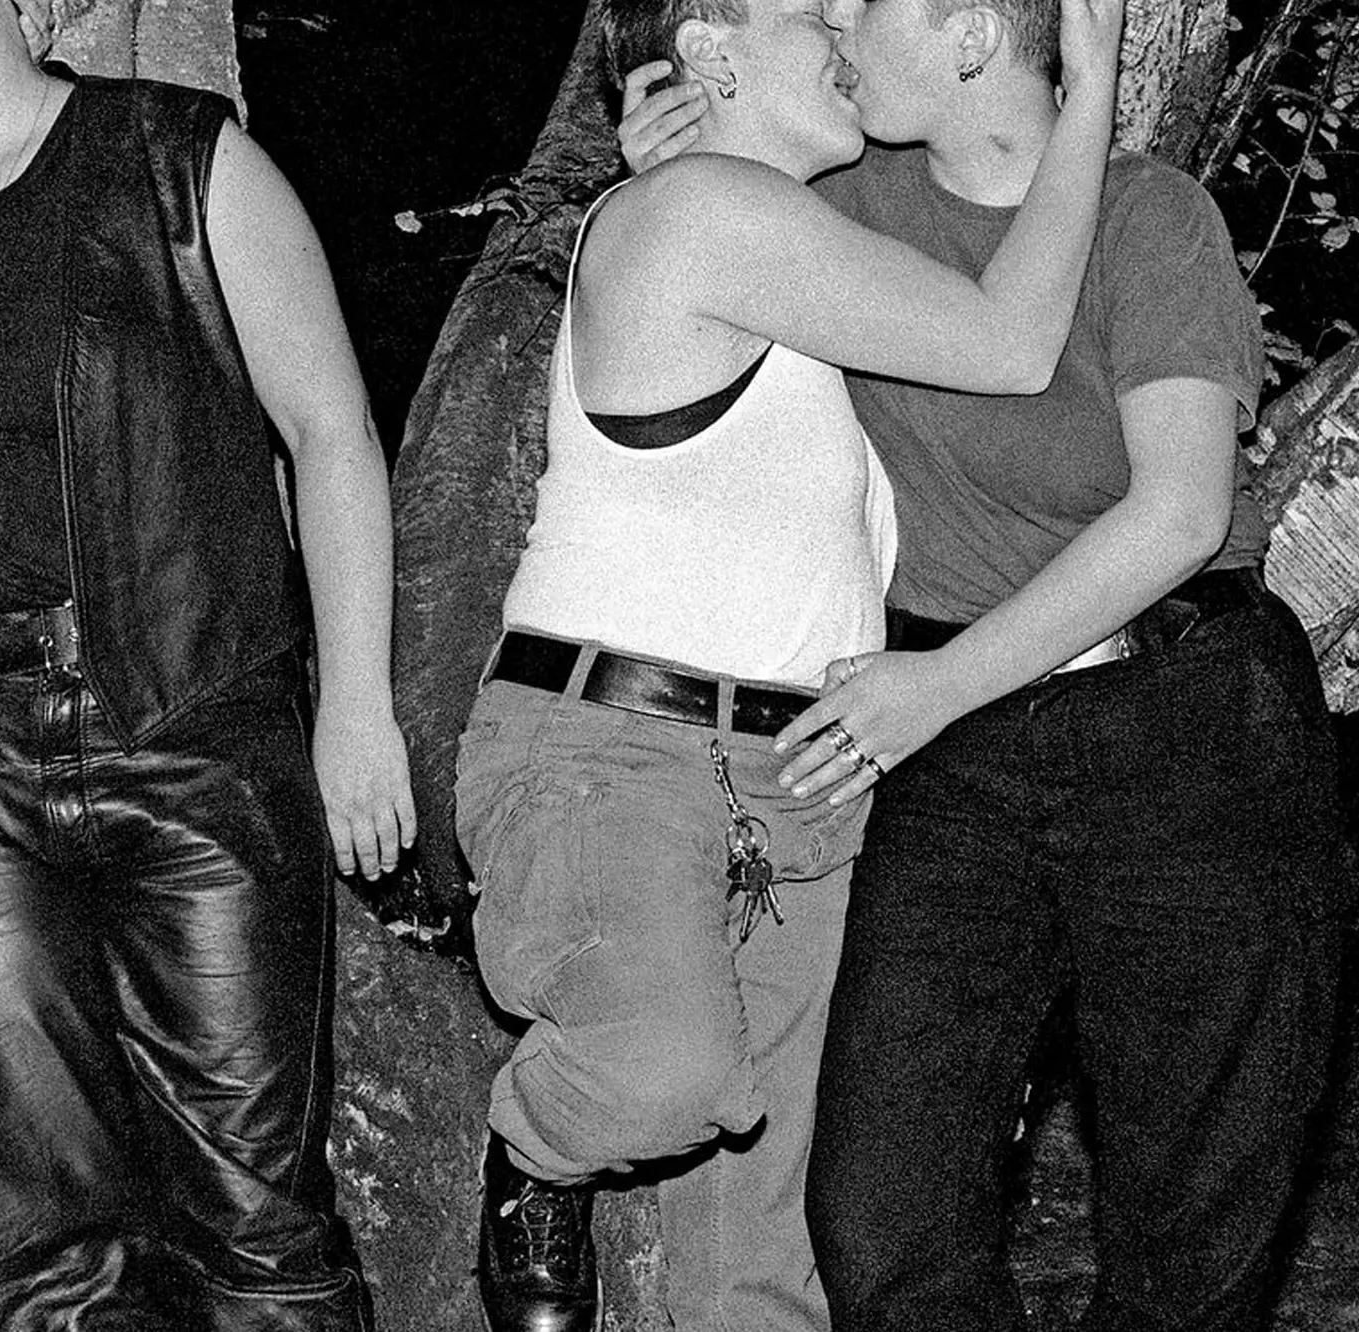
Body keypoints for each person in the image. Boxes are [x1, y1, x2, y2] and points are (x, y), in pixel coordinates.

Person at [620, 1, 1359, 1327]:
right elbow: (690, 264)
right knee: (879, 1215)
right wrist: (671, 154)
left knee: (1192, 1232)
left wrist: (944, 684)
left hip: (1177, 727)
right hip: (951, 762)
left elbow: (1181, 513)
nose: (838, 18)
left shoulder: (1151, 215)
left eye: (869, 0)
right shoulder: (840, 204)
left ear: (969, 37)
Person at [459, 1, 1123, 1329]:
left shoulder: (809, 253)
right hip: (614, 748)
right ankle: (535, 1149)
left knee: (771, 1249)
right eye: (813, 7)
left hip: (807, 777)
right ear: (711, 52)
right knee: (664, 1071)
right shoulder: (699, 209)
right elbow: (1009, 343)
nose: (849, 25)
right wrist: (1093, 85)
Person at [0, 0, 412, 1326]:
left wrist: (358, 705)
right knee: (37, 1261)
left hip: (195, 736)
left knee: (260, 1238)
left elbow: (331, 430)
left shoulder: (181, 160)